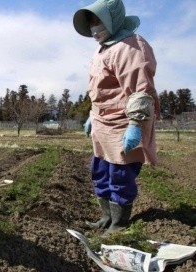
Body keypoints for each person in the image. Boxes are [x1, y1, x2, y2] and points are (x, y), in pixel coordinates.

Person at [73, 0, 160, 235]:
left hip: (124, 122)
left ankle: (119, 224)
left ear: (113, 20)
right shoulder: (103, 48)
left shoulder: (131, 47)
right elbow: (100, 88)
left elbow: (141, 90)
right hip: (103, 121)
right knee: (100, 170)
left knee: (120, 174)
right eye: (91, 23)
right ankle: (106, 217)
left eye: (98, 21)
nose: (93, 28)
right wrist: (93, 114)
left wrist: (135, 124)